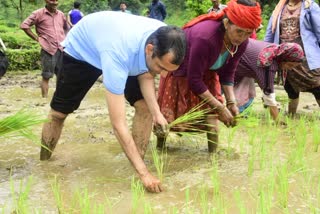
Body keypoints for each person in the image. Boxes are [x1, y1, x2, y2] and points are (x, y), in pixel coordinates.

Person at [40, 11, 186, 193]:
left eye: (169, 71)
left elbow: (147, 75)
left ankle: (135, 167)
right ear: (149, 49)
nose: (163, 75)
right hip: (83, 53)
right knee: (58, 114)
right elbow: (118, 124)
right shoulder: (119, 53)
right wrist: (145, 174)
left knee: (145, 108)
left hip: (119, 47)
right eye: (161, 68)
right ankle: (44, 164)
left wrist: (157, 113)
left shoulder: (163, 37)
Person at [157, 0, 262, 153]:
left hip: (208, 72)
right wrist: (220, 108)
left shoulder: (242, 41)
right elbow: (194, 80)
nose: (242, 37)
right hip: (182, 70)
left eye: (248, 33)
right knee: (167, 116)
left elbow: (228, 72)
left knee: (211, 116)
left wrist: (231, 103)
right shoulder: (205, 37)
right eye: (239, 31)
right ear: (226, 24)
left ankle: (213, 158)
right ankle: (159, 151)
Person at [264, 0, 320, 116]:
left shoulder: (310, 6)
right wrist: (265, 50)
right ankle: (291, 115)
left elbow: (319, 30)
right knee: (290, 87)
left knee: (316, 85)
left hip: (306, 57)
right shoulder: (279, 8)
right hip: (285, 57)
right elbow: (270, 32)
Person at [234, 39, 304, 121]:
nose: (291, 68)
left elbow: (265, 86)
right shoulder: (268, 63)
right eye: (290, 65)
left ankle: (237, 114)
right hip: (228, 62)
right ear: (283, 58)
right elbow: (268, 94)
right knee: (219, 91)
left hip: (241, 65)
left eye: (294, 66)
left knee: (249, 94)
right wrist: (278, 121)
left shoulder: (275, 50)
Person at [20, 0, 68, 98]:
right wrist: (37, 38)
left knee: (62, 76)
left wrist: (65, 39)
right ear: (46, 1)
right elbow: (24, 25)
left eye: (56, 0)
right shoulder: (38, 13)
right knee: (46, 76)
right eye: (51, 0)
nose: (54, 2)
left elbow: (66, 28)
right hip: (48, 49)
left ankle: (59, 98)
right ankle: (44, 99)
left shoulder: (61, 14)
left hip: (61, 49)